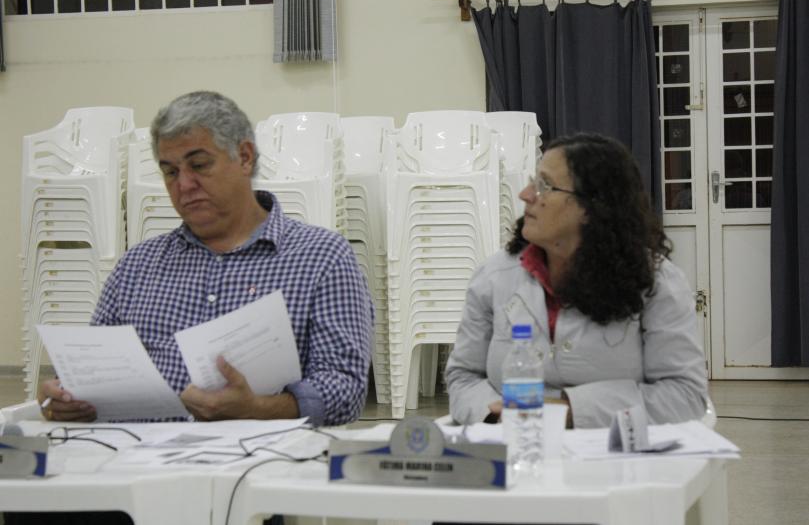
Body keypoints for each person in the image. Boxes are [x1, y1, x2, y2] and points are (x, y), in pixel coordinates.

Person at [37, 91, 373, 427]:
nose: (184, 184)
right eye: (170, 172)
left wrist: (259, 408)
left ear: (245, 157)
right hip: (140, 452)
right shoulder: (137, 267)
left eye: (199, 165)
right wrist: (64, 396)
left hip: (259, 453)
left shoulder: (322, 258)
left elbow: (345, 388)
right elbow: (92, 373)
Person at [445, 133, 708, 428]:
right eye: (533, 181)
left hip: (616, 451)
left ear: (591, 207)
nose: (526, 194)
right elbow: (463, 376)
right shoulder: (493, 276)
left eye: (544, 186)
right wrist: (496, 416)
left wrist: (569, 411)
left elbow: (685, 394)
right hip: (515, 445)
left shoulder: (656, 282)